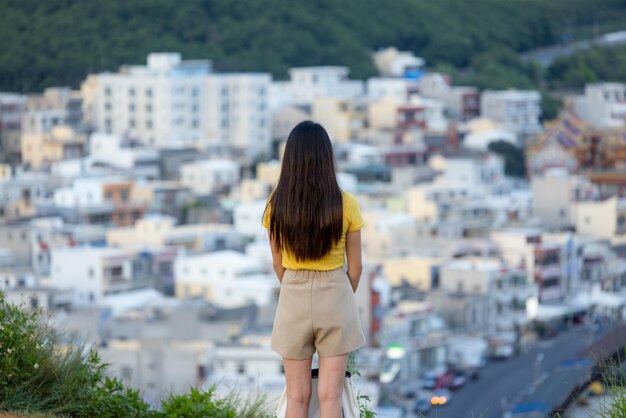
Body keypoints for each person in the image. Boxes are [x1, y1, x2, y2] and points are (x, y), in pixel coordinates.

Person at [263, 120, 366, 418]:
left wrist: (295, 284)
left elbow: (277, 262)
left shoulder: (276, 204)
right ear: (327, 158)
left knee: (296, 396)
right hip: (335, 294)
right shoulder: (346, 203)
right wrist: (340, 294)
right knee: (331, 396)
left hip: (293, 295)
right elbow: (356, 267)